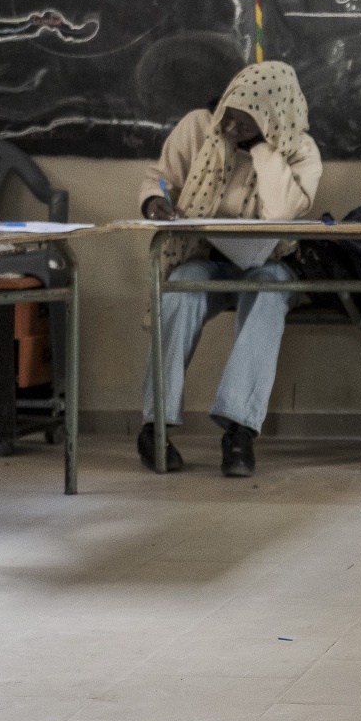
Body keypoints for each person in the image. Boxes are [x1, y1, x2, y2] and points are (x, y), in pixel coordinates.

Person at [137, 60, 322, 478]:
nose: (232, 129)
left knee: (268, 294)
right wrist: (155, 201)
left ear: (271, 121)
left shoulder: (300, 150)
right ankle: (155, 425)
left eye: (246, 123)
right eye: (229, 117)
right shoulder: (199, 126)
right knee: (180, 289)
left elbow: (282, 213)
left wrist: (262, 149)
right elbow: (160, 178)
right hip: (204, 257)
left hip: (267, 263)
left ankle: (239, 430)